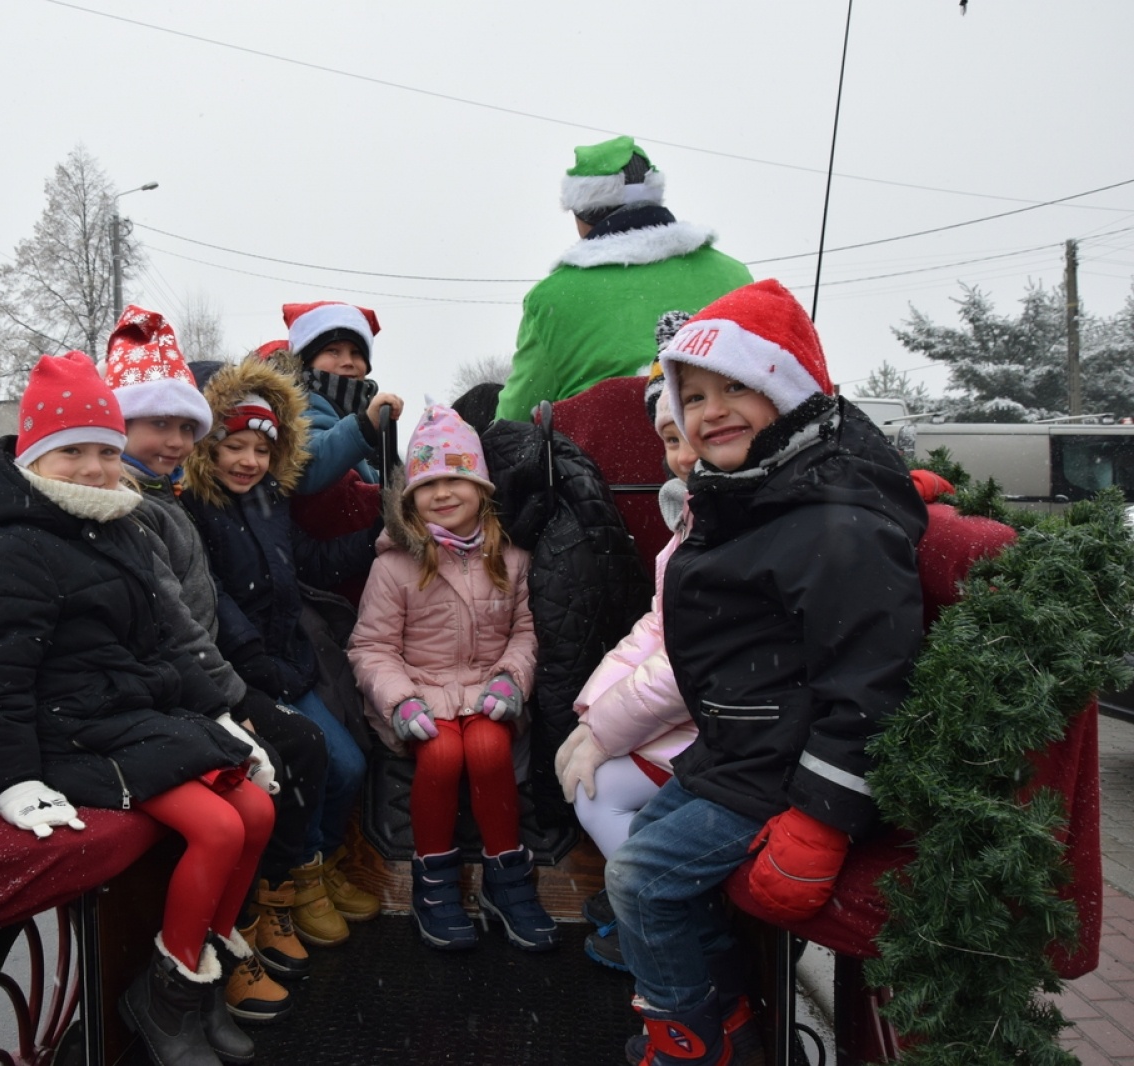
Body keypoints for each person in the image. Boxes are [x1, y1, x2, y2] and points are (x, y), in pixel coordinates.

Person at [604, 280, 927, 1065]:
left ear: (788, 389)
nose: (711, 410)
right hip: (743, 750)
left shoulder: (831, 520)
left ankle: (688, 1038)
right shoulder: (759, 495)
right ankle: (730, 1017)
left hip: (786, 767)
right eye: (695, 394)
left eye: (737, 387)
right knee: (643, 844)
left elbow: (872, 685)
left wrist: (823, 819)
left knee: (641, 879)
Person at [0, 350, 278, 1066]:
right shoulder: (15, 546)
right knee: (218, 831)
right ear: (35, 457)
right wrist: (11, 780)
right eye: (73, 451)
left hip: (128, 717)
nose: (96, 468)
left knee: (256, 810)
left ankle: (199, 983)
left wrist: (222, 717)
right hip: (69, 736)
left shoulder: (115, 527)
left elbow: (167, 640)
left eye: (106, 450)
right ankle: (164, 1000)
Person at [104, 305, 332, 1020]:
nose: (173, 441)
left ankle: (236, 930)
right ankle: (210, 957)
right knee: (280, 758)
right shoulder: (135, 506)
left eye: (182, 427)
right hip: (168, 695)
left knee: (294, 758)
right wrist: (235, 699)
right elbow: (179, 621)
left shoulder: (164, 497)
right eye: (156, 426)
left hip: (194, 683)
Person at [182, 356, 383, 951]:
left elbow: (310, 565)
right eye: (234, 446)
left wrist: (378, 539)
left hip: (285, 663)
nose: (248, 461)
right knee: (310, 761)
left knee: (349, 763)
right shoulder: (196, 508)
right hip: (242, 673)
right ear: (207, 446)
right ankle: (292, 880)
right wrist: (257, 661)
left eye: (261, 450)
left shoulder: (269, 502)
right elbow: (217, 601)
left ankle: (314, 865)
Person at [347, 404, 557, 952]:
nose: (442, 493)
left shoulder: (510, 558)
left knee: (488, 751)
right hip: (420, 692)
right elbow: (372, 647)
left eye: (455, 479)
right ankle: (433, 883)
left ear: (480, 487)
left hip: (489, 689)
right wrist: (401, 702)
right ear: (410, 498)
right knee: (440, 755)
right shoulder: (394, 564)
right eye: (428, 483)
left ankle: (505, 880)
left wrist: (512, 680)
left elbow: (527, 632)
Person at [553, 340, 699, 971]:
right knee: (585, 769)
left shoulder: (725, 530)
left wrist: (606, 731)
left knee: (596, 791)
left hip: (720, 729)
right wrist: (593, 709)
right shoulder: (694, 520)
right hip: (692, 716)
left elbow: (690, 663)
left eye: (694, 435)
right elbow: (656, 626)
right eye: (670, 439)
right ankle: (640, 895)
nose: (684, 455)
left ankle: (662, 914)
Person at [494, 136, 752, 423]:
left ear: (582, 213)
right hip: (724, 455)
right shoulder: (734, 275)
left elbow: (515, 415)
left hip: (602, 464)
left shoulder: (553, 297)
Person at [266, 302, 405, 495]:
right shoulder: (301, 405)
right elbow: (304, 469)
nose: (348, 362)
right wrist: (364, 427)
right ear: (308, 360)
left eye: (356, 353)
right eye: (333, 351)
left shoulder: (364, 409)